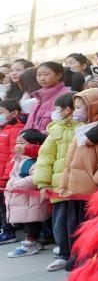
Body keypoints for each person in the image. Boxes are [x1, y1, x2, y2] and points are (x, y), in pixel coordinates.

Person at [57, 88, 98, 270]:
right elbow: (71, 161)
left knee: (92, 228)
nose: (76, 112)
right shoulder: (82, 130)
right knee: (75, 226)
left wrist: (95, 180)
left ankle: (91, 261)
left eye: (81, 107)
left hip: (91, 193)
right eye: (75, 107)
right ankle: (78, 258)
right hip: (76, 191)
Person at [32, 92, 79, 271]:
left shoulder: (86, 127)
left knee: (77, 223)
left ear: (67, 110)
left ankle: (79, 256)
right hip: (59, 187)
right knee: (60, 222)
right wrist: (42, 182)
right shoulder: (55, 130)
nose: (55, 112)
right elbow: (45, 157)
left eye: (57, 109)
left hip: (79, 186)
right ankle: (63, 255)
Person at [5, 130, 50, 258]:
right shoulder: (19, 159)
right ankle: (35, 241)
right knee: (28, 220)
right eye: (17, 142)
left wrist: (17, 185)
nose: (18, 146)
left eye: (22, 143)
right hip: (22, 197)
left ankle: (30, 244)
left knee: (33, 221)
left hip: (31, 199)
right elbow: (13, 175)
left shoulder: (35, 160)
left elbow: (36, 177)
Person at [0, 100, 25, 244]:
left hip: (5, 176)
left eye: (1, 112)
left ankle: (8, 232)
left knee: (5, 206)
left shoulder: (16, 131)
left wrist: (5, 177)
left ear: (14, 113)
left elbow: (12, 157)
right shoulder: (3, 129)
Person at [24, 62, 71, 134]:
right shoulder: (39, 96)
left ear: (58, 75)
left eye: (46, 74)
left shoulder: (66, 94)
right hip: (31, 140)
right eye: (39, 75)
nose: (42, 78)